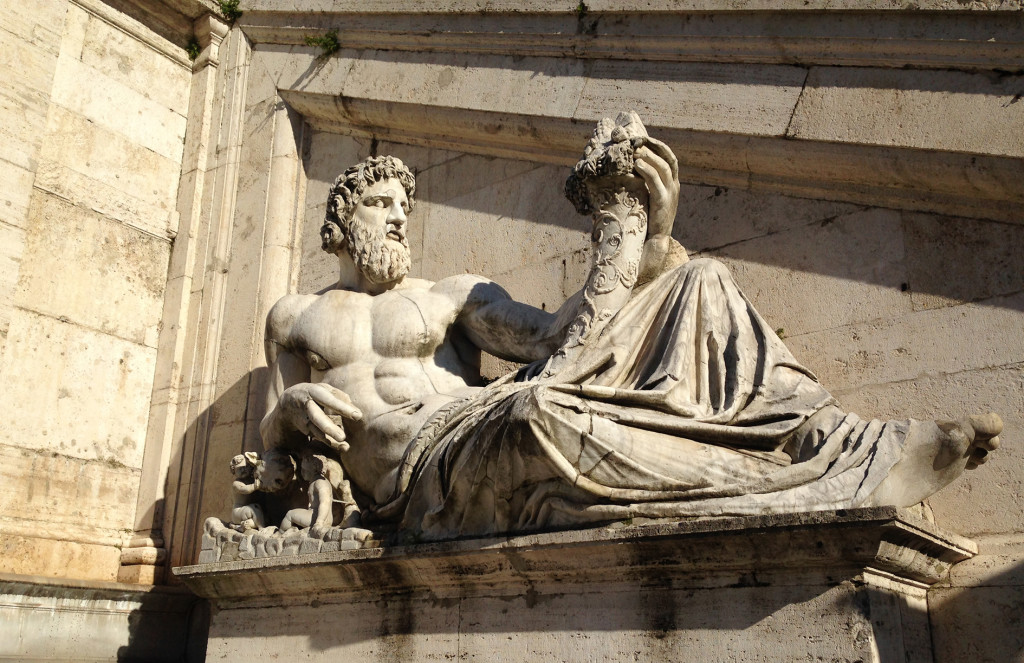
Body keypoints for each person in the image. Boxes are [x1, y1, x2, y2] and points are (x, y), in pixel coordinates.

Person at [260, 113, 1001, 542]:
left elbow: (556, 339)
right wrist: (289, 412)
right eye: (379, 204)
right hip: (414, 474)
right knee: (538, 411)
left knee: (700, 279)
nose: (397, 217)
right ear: (338, 224)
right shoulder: (295, 316)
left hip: (468, 421)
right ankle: (793, 483)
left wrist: (653, 236)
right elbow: (269, 450)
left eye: (404, 206)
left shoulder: (450, 296)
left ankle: (829, 443)